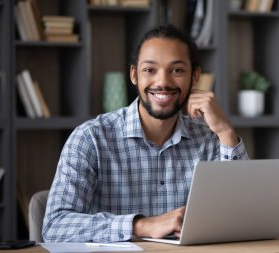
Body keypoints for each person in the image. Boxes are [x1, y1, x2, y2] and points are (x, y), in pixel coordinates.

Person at [42, 24, 248, 243]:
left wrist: (225, 131)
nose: (163, 82)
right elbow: (56, 225)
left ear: (195, 76)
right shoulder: (90, 138)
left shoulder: (209, 139)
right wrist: (141, 225)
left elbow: (245, 215)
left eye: (177, 70)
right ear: (134, 75)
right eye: (150, 70)